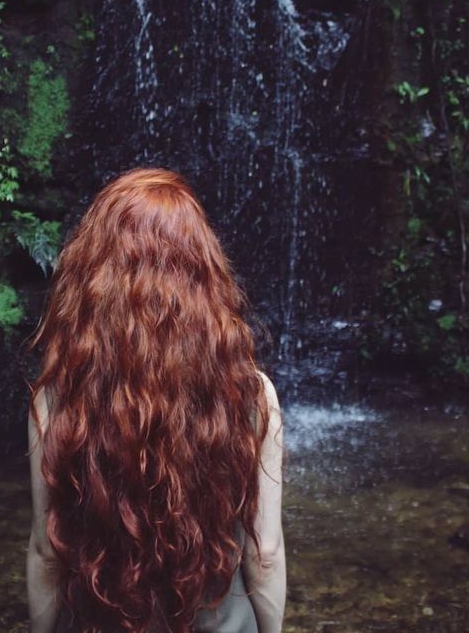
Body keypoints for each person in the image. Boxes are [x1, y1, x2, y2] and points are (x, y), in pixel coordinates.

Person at [26, 168, 285, 633]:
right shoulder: (253, 396)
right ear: (203, 272)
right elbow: (263, 554)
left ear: (94, 273)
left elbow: (48, 550)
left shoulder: (56, 400)